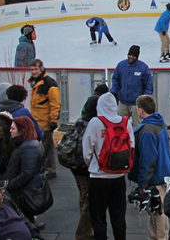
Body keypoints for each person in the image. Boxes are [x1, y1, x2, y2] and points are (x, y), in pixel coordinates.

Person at [82, 92, 135, 240]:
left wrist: (92, 164)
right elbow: (131, 146)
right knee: (118, 217)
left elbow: (86, 151)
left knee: (98, 217)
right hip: (119, 177)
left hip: (98, 177)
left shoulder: (95, 122)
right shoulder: (126, 122)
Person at [128, 95, 170, 240]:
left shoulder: (147, 131)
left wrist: (142, 184)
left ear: (140, 110)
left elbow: (148, 160)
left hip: (154, 179)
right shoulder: (160, 124)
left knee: (157, 215)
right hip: (164, 175)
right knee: (161, 213)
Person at [72, 84, 109, 240]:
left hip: (76, 167)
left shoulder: (80, 122)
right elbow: (91, 151)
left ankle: (90, 229)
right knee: (90, 202)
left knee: (83, 197)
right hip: (87, 168)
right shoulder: (94, 124)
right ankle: (83, 233)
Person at [3, 116, 46, 222]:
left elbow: (27, 173)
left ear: (22, 130)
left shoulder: (29, 147)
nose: (10, 131)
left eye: (13, 128)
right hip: (23, 191)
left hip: (24, 193)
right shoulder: (27, 144)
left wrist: (9, 185)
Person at [28, 59, 60, 180]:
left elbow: (55, 103)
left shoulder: (49, 83)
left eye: (36, 69)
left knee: (47, 148)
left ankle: (50, 170)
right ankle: (44, 168)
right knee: (41, 147)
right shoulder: (37, 82)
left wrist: (53, 121)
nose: (34, 72)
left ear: (41, 69)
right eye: (32, 70)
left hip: (45, 122)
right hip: (37, 121)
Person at [111, 45, 152, 127]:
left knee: (138, 126)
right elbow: (115, 79)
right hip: (123, 103)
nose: (131, 57)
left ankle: (137, 139)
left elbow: (148, 84)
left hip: (136, 105)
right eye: (129, 55)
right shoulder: (121, 65)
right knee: (120, 126)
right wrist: (114, 92)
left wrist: (145, 99)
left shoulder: (143, 68)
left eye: (133, 56)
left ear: (137, 57)